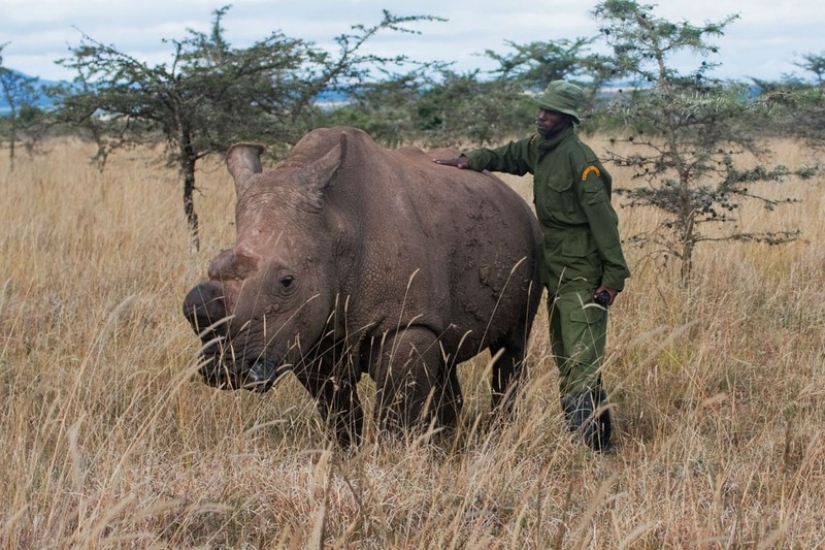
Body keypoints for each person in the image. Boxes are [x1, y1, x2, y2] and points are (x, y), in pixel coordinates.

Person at [434, 80, 630, 452]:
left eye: (551, 112)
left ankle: (590, 447)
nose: (542, 116)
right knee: (567, 353)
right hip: (553, 267)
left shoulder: (582, 162)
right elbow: (507, 156)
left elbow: (605, 223)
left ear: (567, 119)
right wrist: (469, 160)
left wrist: (613, 276)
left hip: (582, 270)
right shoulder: (541, 149)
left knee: (579, 356)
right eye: (541, 109)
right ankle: (599, 441)